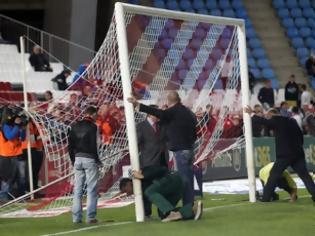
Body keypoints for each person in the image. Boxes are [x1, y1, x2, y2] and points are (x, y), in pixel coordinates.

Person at [128, 91, 197, 206]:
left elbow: (158, 113)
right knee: (188, 179)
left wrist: (138, 105)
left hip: (180, 150)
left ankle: (188, 207)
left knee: (183, 180)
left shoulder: (173, 111)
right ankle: (190, 204)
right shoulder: (187, 112)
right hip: (189, 148)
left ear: (168, 101)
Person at [244, 106, 315, 202]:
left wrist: (251, 114)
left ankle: (266, 198)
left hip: (284, 155)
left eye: (268, 116)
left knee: (273, 175)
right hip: (298, 153)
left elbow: (264, 121)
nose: (268, 118)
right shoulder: (292, 121)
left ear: (271, 114)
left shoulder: (277, 120)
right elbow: (300, 136)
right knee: (305, 176)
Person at [119, 165, 203, 222]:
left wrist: (144, 176)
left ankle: (172, 213)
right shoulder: (141, 191)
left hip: (173, 179)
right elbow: (146, 205)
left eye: (125, 191)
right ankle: (192, 209)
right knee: (163, 214)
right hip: (174, 189)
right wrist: (145, 214)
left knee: (149, 191)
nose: (127, 194)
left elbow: (161, 170)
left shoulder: (143, 171)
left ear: (128, 183)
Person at [68, 106, 101, 223]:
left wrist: (73, 160)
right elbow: (93, 145)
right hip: (89, 159)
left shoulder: (74, 126)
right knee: (91, 189)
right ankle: (91, 217)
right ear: (92, 114)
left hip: (77, 159)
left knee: (77, 190)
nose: (97, 117)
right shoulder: (93, 127)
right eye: (96, 114)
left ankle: (76, 218)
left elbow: (70, 146)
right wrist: (97, 160)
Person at [136, 105, 168, 217]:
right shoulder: (141, 126)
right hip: (148, 162)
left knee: (162, 188)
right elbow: (137, 144)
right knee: (147, 188)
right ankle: (146, 212)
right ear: (150, 114)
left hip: (162, 162)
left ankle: (163, 211)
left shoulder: (161, 125)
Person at [0, 107, 25, 200]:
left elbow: (22, 138)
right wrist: (17, 125)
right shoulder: (4, 126)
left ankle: (9, 198)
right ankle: (3, 199)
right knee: (6, 179)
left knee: (14, 178)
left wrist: (22, 128)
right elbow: (10, 136)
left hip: (15, 154)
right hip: (5, 156)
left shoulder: (13, 126)